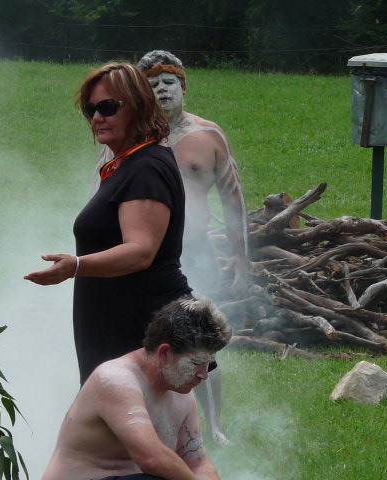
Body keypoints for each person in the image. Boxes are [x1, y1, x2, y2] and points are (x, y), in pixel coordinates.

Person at [25, 63, 192, 384]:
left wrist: (74, 266)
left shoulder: (146, 168)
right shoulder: (128, 164)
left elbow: (140, 251)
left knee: (130, 429)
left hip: (137, 328)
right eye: (91, 110)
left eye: (108, 107)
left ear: (138, 106)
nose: (98, 117)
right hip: (120, 328)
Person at [139, 50, 249, 444]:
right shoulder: (133, 137)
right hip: (143, 255)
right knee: (146, 339)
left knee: (201, 340)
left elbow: (233, 199)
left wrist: (240, 255)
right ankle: (149, 418)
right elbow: (101, 192)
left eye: (169, 82)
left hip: (195, 253)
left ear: (184, 87)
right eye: (152, 85)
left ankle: (213, 423)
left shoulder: (208, 136)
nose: (162, 90)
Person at [42, 297, 232, 480]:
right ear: (164, 353)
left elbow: (198, 464)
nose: (204, 374)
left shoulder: (183, 394)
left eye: (209, 364)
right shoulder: (115, 380)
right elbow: (152, 459)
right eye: (197, 363)